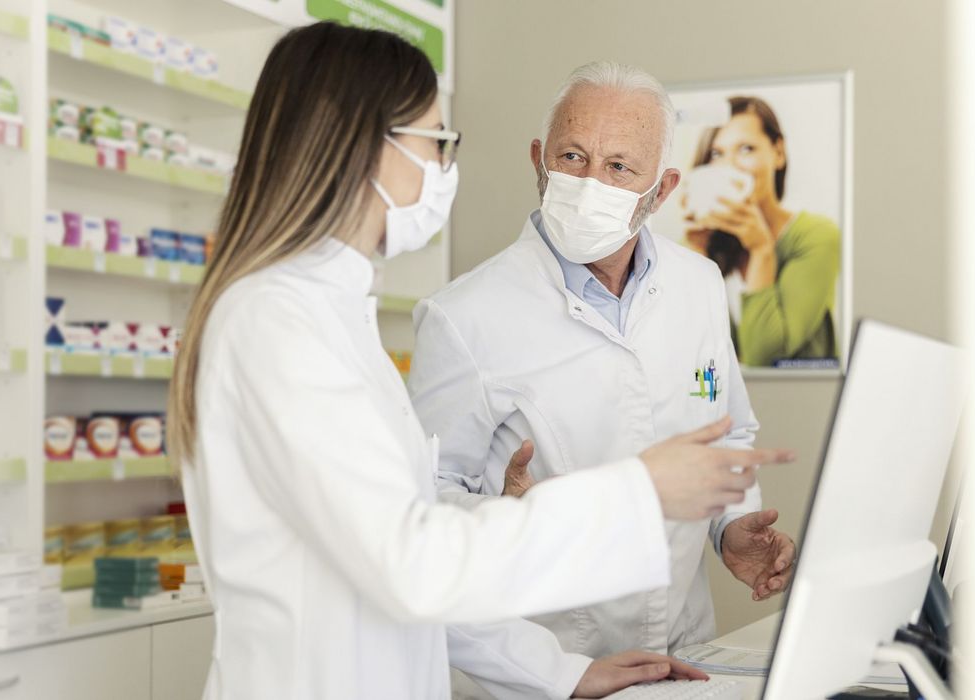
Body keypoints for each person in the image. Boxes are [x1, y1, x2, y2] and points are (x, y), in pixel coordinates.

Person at [166, 25, 787, 700]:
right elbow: (415, 563)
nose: (443, 167)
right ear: (361, 146)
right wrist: (640, 492)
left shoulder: (328, 311)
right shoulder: (277, 322)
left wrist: (558, 668)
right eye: (435, 142)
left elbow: (409, 547)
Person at [408, 62, 798, 672]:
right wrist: (511, 522)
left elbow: (729, 431)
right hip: (551, 665)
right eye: (571, 156)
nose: (590, 182)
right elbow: (421, 511)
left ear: (661, 189)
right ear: (539, 160)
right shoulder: (464, 317)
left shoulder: (697, 284)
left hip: (685, 655)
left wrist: (731, 526)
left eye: (619, 167)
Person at [685, 96, 841, 368]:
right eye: (717, 153)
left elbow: (763, 358)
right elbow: (706, 358)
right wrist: (697, 253)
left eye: (746, 149)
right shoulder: (700, 243)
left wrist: (761, 250)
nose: (729, 166)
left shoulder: (816, 236)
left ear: (778, 153)